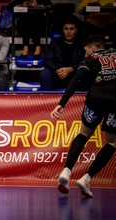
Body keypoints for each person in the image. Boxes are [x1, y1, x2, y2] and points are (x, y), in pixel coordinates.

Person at [51, 35, 116, 198]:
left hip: (95, 98)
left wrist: (62, 103)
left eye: (86, 49)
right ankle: (87, 178)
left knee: (84, 133)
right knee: (113, 141)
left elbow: (77, 79)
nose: (85, 53)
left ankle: (66, 171)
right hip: (115, 101)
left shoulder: (91, 59)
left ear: (93, 48)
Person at [40, 16, 85, 91]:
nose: (68, 32)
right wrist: (57, 70)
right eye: (66, 29)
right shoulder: (55, 43)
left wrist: (71, 69)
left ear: (76, 30)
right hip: (58, 74)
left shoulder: (82, 44)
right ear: (63, 30)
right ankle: (48, 100)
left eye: (71, 29)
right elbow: (47, 60)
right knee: (45, 74)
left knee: (85, 73)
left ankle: (79, 100)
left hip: (74, 75)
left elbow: (85, 61)